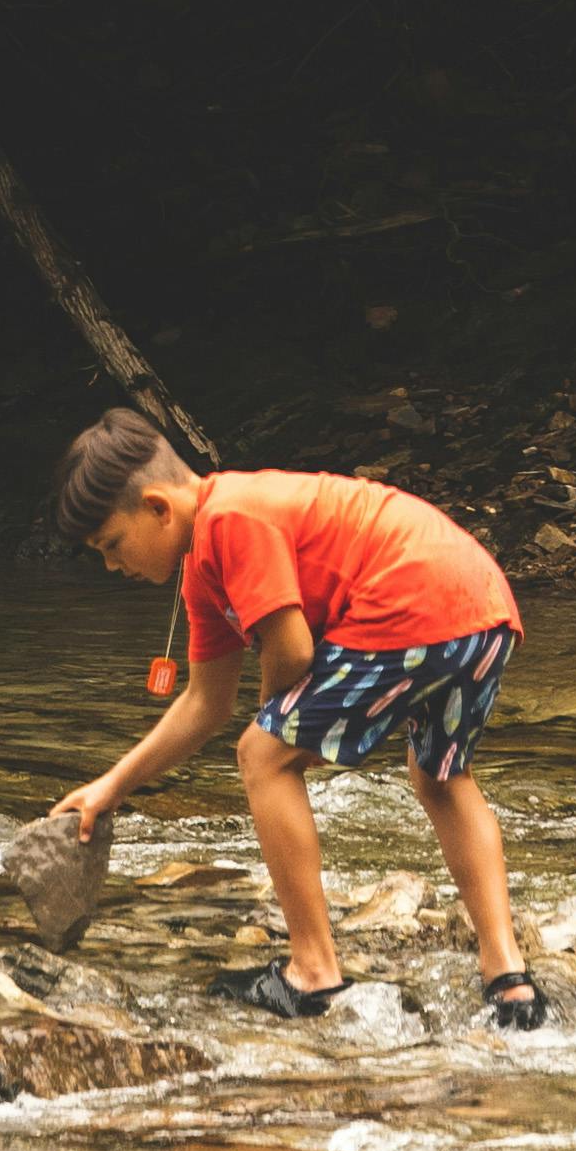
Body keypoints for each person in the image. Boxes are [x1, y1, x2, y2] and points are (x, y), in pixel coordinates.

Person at [48, 408, 542, 1027]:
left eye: (111, 545)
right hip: (482, 608)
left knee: (262, 755)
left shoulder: (231, 518)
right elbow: (205, 703)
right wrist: (111, 787)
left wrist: (275, 731)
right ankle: (509, 979)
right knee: (441, 777)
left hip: (411, 599)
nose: (111, 565)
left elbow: (291, 652)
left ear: (157, 507)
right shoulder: (204, 567)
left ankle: (312, 971)